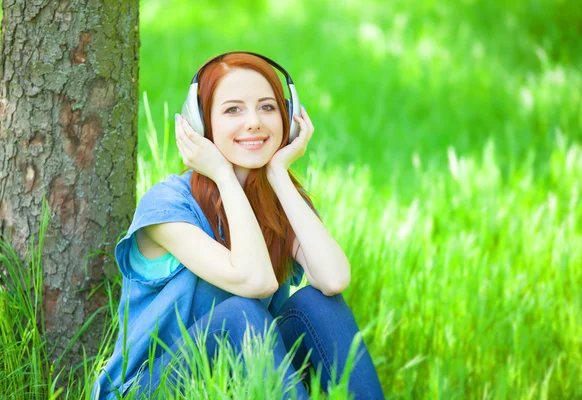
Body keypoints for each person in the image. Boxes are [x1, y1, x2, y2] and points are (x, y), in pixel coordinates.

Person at [92, 52, 385, 400]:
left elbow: (333, 278)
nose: (254, 123)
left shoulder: (276, 200)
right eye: (233, 110)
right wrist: (222, 176)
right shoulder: (168, 205)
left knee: (318, 303)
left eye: (267, 107)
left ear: (288, 120)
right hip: (149, 388)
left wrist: (278, 175)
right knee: (240, 315)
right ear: (202, 125)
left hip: (239, 379)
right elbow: (256, 282)